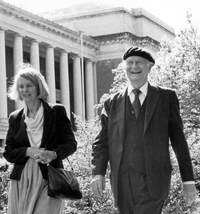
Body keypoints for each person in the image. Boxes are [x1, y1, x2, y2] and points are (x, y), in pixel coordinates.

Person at [90, 47, 196, 214]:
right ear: (124, 68)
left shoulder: (166, 97)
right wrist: (98, 173)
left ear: (149, 67)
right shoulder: (112, 102)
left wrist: (188, 180)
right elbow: (101, 142)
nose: (134, 67)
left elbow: (179, 141)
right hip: (122, 181)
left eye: (139, 62)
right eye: (129, 63)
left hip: (153, 181)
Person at [3, 63, 77, 214]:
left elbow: (71, 144)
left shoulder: (56, 111)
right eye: (21, 86)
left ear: (38, 87)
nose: (25, 90)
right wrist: (27, 151)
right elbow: (8, 152)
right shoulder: (15, 118)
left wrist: (54, 154)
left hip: (50, 178)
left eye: (29, 85)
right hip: (22, 179)